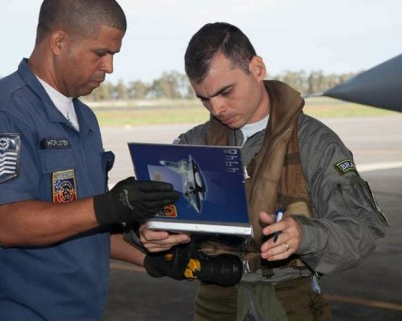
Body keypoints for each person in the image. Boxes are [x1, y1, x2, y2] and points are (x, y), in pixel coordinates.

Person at [0, 0, 179, 320]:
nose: (110, 68)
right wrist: (110, 206)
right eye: (100, 54)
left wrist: (149, 259)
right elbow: (6, 223)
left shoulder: (83, 118)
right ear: (59, 41)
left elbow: (81, 222)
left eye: (114, 55)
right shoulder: (2, 114)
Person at [138, 22, 388, 320]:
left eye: (225, 92)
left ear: (256, 68)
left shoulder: (314, 144)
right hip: (217, 302)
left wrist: (305, 236)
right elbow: (154, 217)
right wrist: (147, 231)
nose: (216, 109)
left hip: (289, 301)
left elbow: (362, 229)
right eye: (205, 98)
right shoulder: (193, 145)